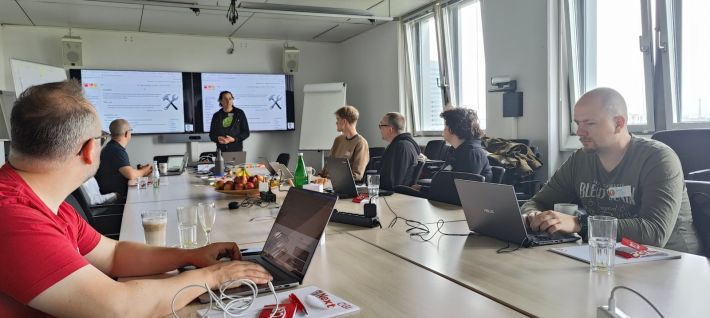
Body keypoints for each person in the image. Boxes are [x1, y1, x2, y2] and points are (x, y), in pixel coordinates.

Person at [0, 80, 272, 317]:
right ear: (89, 150)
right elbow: (119, 308)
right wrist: (215, 275)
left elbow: (114, 254)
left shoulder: (45, 202)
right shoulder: (14, 217)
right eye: (102, 137)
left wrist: (192, 256)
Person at [522, 87, 700, 254]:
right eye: (577, 123)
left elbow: (654, 233)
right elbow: (537, 202)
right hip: (610, 254)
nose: (579, 132)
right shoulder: (580, 159)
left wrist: (578, 224)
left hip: (671, 262)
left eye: (589, 123)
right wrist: (533, 216)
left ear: (618, 123)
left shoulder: (658, 159)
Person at [95, 119, 152, 197]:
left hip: (116, 195)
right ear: (126, 133)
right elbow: (131, 175)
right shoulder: (116, 150)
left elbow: (127, 171)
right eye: (131, 130)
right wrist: (144, 171)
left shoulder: (112, 147)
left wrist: (140, 171)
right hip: (117, 198)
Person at [438, 107, 492, 182]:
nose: (444, 130)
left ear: (454, 128)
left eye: (446, 126)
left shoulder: (471, 154)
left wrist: (425, 190)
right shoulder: (456, 150)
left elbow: (462, 188)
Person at [322, 105, 369, 181]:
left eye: (338, 119)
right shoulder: (338, 140)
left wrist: (332, 181)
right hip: (327, 185)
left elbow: (357, 175)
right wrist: (318, 178)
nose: (336, 122)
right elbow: (328, 165)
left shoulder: (361, 143)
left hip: (341, 187)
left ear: (344, 121)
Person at [378, 112, 422, 190]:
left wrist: (372, 187)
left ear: (390, 129)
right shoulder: (399, 145)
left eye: (381, 125)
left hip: (393, 196)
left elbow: (394, 182)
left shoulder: (401, 146)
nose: (380, 128)